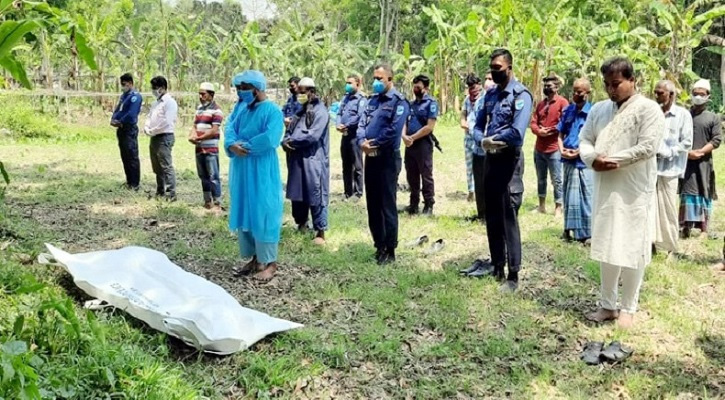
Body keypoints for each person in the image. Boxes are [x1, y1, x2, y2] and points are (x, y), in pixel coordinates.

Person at [580, 57, 665, 329]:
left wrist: (613, 160)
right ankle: (607, 304)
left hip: (633, 189)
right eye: (606, 84)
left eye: (616, 84)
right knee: (607, 244)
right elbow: (585, 139)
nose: (610, 90)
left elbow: (648, 147)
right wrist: (593, 159)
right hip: (605, 187)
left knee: (632, 245)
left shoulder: (648, 109)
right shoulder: (600, 109)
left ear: (632, 80)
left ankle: (628, 307)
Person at [465, 49, 533, 292]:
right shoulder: (491, 95)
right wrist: (481, 139)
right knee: (492, 215)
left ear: (509, 67)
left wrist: (492, 137)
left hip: (509, 161)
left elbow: (517, 132)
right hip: (490, 160)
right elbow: (476, 123)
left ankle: (513, 275)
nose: (494, 72)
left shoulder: (521, 95)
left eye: (499, 67)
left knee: (508, 217)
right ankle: (497, 265)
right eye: (492, 67)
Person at [225, 70, 284, 281]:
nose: (241, 92)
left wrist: (246, 147)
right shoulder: (240, 109)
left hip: (261, 168)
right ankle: (255, 258)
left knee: (264, 210)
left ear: (257, 89)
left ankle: (271, 262)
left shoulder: (272, 111)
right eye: (239, 88)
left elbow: (270, 138)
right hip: (241, 169)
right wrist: (231, 144)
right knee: (246, 211)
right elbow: (229, 127)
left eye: (244, 88)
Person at [357, 63, 409, 264]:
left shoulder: (399, 102)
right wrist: (362, 142)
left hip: (387, 158)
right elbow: (361, 124)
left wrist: (374, 143)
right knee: (373, 203)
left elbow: (394, 131)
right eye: (375, 78)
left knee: (387, 204)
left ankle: (390, 248)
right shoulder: (371, 102)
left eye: (380, 78)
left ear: (390, 79)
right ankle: (378, 245)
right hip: (370, 158)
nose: (376, 82)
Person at [282, 77, 330, 245]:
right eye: (298, 91)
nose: (299, 94)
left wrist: (293, 141)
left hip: (313, 159)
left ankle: (320, 230)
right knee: (297, 192)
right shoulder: (300, 110)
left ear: (312, 92)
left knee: (316, 193)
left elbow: (313, 135)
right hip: (296, 158)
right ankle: (301, 223)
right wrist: (285, 140)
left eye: (303, 92)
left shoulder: (320, 111)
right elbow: (290, 128)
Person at [653, 80, 692, 255]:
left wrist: (669, 152)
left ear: (671, 95)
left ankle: (670, 249)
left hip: (670, 169)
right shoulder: (653, 113)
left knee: (668, 208)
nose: (657, 96)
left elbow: (687, 142)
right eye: (656, 92)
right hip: (651, 168)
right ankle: (651, 244)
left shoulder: (683, 115)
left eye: (660, 93)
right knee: (650, 208)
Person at [680, 79, 721, 238]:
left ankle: (704, 228)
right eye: (695, 93)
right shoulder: (685, 115)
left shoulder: (713, 117)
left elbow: (716, 140)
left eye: (701, 94)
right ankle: (685, 226)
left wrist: (701, 152)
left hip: (704, 162)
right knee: (687, 191)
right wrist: (687, 153)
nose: (698, 97)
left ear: (707, 96)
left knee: (704, 189)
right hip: (686, 160)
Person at [558, 78, 594, 243]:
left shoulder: (593, 113)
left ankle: (586, 233)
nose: (575, 95)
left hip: (584, 161)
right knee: (568, 196)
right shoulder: (568, 110)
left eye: (579, 92)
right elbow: (560, 133)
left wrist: (579, 152)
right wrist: (561, 149)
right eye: (574, 91)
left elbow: (596, 139)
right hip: (568, 160)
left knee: (586, 197)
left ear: (587, 93)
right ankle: (568, 230)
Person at [530, 73, 568, 216]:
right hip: (539, 148)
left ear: (557, 87)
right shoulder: (541, 104)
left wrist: (550, 131)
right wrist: (539, 131)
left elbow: (564, 122)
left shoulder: (563, 103)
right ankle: (541, 206)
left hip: (554, 149)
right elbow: (533, 121)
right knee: (541, 178)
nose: (546, 88)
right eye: (545, 86)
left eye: (549, 86)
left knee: (557, 179)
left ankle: (558, 206)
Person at [403, 74, 439, 216]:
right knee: (411, 175)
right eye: (414, 86)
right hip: (409, 145)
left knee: (426, 174)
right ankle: (413, 203)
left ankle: (429, 204)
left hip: (423, 144)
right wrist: (404, 136)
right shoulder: (410, 105)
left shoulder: (431, 103)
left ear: (426, 88)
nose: (415, 89)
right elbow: (404, 123)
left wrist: (412, 137)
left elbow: (429, 127)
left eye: (418, 87)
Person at [189, 82, 224, 210]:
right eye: (199, 93)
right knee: (203, 175)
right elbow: (194, 125)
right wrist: (191, 135)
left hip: (210, 148)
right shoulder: (199, 109)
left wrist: (199, 138)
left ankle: (217, 202)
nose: (200, 96)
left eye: (203, 94)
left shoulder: (217, 111)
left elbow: (214, 130)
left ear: (211, 95)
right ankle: (207, 201)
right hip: (199, 147)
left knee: (213, 176)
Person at [144, 76, 178, 201]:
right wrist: (147, 127)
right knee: (157, 166)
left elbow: (167, 122)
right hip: (154, 137)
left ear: (162, 88)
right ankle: (160, 191)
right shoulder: (155, 103)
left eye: (155, 88)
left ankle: (171, 193)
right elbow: (149, 116)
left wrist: (152, 130)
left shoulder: (170, 103)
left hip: (164, 136)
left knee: (166, 166)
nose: (153, 90)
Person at [110, 73, 142, 191]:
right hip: (121, 129)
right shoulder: (124, 96)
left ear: (130, 83)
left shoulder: (135, 96)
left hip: (129, 129)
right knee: (124, 156)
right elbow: (118, 109)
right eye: (121, 84)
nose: (123, 86)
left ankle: (135, 183)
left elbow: (132, 114)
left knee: (132, 156)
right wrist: (113, 119)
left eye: (124, 84)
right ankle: (129, 181)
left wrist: (120, 121)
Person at [336, 75, 366, 200]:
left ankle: (358, 192)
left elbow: (360, 116)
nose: (347, 85)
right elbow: (339, 113)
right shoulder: (345, 98)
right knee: (346, 165)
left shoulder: (361, 99)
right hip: (345, 136)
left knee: (357, 165)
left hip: (355, 136)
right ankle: (347, 192)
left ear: (357, 84)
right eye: (346, 82)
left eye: (350, 83)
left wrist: (346, 125)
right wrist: (338, 124)